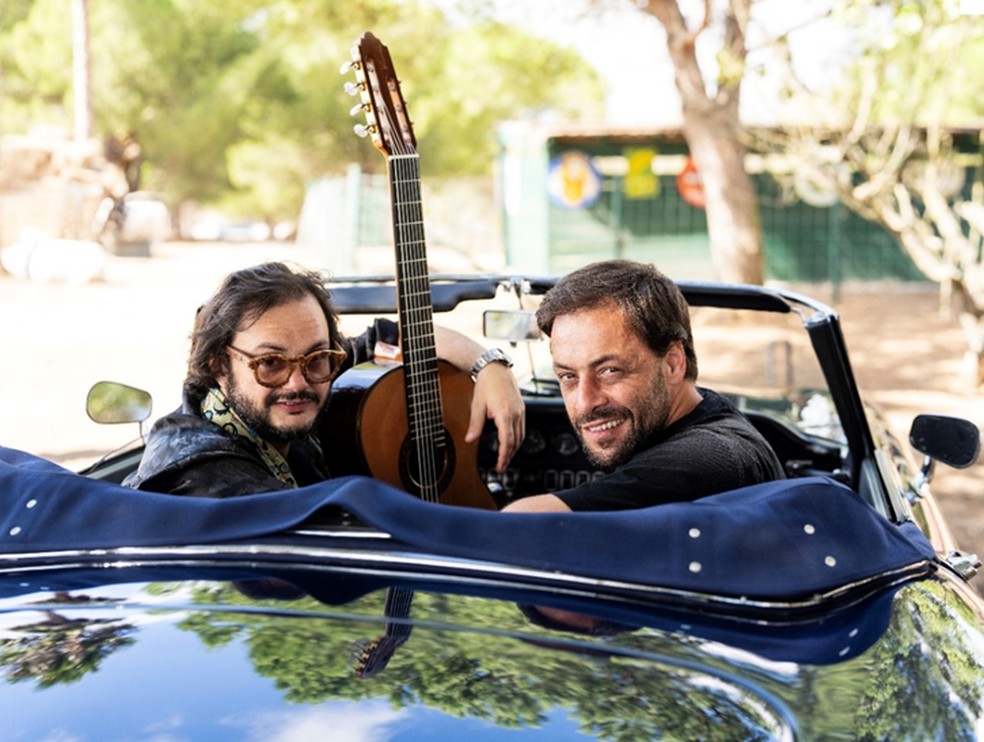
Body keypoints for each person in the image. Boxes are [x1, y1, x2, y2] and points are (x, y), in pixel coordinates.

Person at [123, 262, 524, 498]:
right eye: (270, 363)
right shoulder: (204, 474)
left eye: (317, 357)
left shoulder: (319, 369)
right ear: (217, 364)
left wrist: (490, 366)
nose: (297, 382)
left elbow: (397, 338)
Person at [502, 260, 784, 513]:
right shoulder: (704, 416)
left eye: (609, 370)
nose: (585, 402)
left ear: (673, 363)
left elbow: (518, 525)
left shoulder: (710, 459)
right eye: (568, 376)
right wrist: (490, 365)